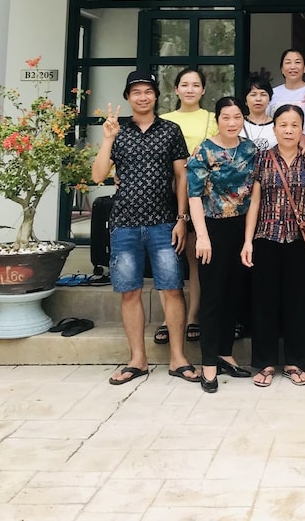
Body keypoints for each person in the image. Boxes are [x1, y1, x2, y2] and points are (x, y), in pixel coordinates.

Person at [91, 70, 200, 386]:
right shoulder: (118, 132)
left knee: (172, 289)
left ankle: (178, 358)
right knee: (130, 292)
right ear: (128, 97)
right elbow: (98, 175)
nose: (142, 96)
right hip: (124, 225)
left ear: (156, 96)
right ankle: (137, 359)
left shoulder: (170, 130)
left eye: (148, 91)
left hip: (164, 223)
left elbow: (181, 176)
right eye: (136, 92)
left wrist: (181, 219)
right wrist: (107, 139)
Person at [241, 104, 305, 388]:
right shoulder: (261, 159)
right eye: (283, 125)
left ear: (302, 129)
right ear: (274, 128)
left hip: (298, 241)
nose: (289, 130)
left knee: (297, 302)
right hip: (266, 237)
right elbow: (254, 202)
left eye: (294, 125)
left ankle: (294, 362)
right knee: (263, 302)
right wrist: (247, 241)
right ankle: (265, 362)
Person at [187, 97, 257, 393]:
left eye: (237, 117)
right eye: (226, 117)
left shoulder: (250, 149)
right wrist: (202, 236)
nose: (232, 122)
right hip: (212, 228)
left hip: (241, 228)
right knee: (213, 297)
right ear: (217, 119)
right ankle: (208, 364)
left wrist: (248, 238)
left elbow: (254, 192)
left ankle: (225, 353)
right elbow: (194, 195)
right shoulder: (204, 150)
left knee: (234, 294)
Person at [156, 66, 219, 348]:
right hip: (165, 195)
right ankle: (167, 319)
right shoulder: (163, 121)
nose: (190, 89)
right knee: (166, 259)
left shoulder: (212, 119)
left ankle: (193, 317)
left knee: (196, 259)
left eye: (195, 85)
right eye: (185, 84)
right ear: (176, 89)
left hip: (202, 196)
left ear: (203, 90)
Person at [242, 69, 278, 150]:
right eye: (253, 95)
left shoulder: (277, 126)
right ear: (245, 100)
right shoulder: (238, 124)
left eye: (263, 94)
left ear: (269, 99)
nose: (258, 99)